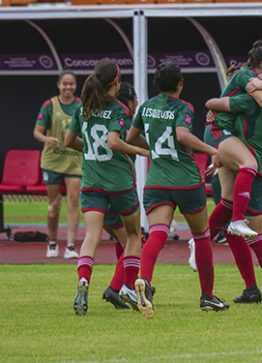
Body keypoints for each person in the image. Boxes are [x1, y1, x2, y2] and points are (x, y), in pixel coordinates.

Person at [126, 62, 228, 318]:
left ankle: (144, 281)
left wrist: (155, 149)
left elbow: (130, 137)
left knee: (157, 234)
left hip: (157, 180)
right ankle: (207, 296)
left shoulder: (146, 106)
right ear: (180, 84)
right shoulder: (184, 108)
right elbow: (182, 136)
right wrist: (213, 150)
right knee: (202, 236)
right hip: (185, 180)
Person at [204, 62, 262, 304]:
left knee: (254, 236)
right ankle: (251, 289)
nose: (258, 76)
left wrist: (215, 113)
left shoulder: (252, 105)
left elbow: (214, 105)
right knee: (236, 235)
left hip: (259, 175)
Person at [64, 59, 149, 316]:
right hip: (119, 183)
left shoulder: (83, 108)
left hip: (92, 182)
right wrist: (142, 151)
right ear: (116, 81)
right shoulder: (118, 109)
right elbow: (114, 142)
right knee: (134, 237)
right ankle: (128, 288)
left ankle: (84, 281)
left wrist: (90, 149)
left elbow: (68, 141)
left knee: (91, 237)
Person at [204, 40, 262, 239]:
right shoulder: (247, 76)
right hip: (219, 131)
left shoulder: (259, 83)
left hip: (230, 135)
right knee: (249, 164)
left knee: (227, 198)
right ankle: (236, 221)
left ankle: (200, 240)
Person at [33, 70, 82, 259]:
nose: (68, 87)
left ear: (75, 86)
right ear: (58, 84)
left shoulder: (81, 105)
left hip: (74, 161)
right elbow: (37, 132)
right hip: (53, 161)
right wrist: (47, 138)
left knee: (73, 201)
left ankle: (70, 245)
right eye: (65, 84)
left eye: (71, 84)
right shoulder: (49, 105)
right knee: (53, 206)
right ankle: (52, 241)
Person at [101, 82, 139, 310]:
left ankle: (133, 283)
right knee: (133, 242)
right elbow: (124, 141)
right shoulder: (122, 120)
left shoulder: (97, 115)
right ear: (131, 102)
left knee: (121, 239)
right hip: (116, 189)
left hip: (95, 189)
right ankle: (117, 288)